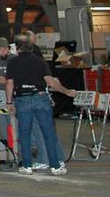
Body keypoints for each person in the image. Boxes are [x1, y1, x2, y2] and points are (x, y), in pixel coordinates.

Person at [8, 37, 77, 175]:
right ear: (32, 48)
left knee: (25, 133)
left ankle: (27, 166)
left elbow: (10, 83)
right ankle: (55, 166)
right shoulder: (40, 61)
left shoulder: (12, 62)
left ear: (18, 49)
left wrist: (9, 102)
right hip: (41, 98)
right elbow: (51, 82)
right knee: (48, 133)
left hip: (23, 99)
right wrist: (68, 92)